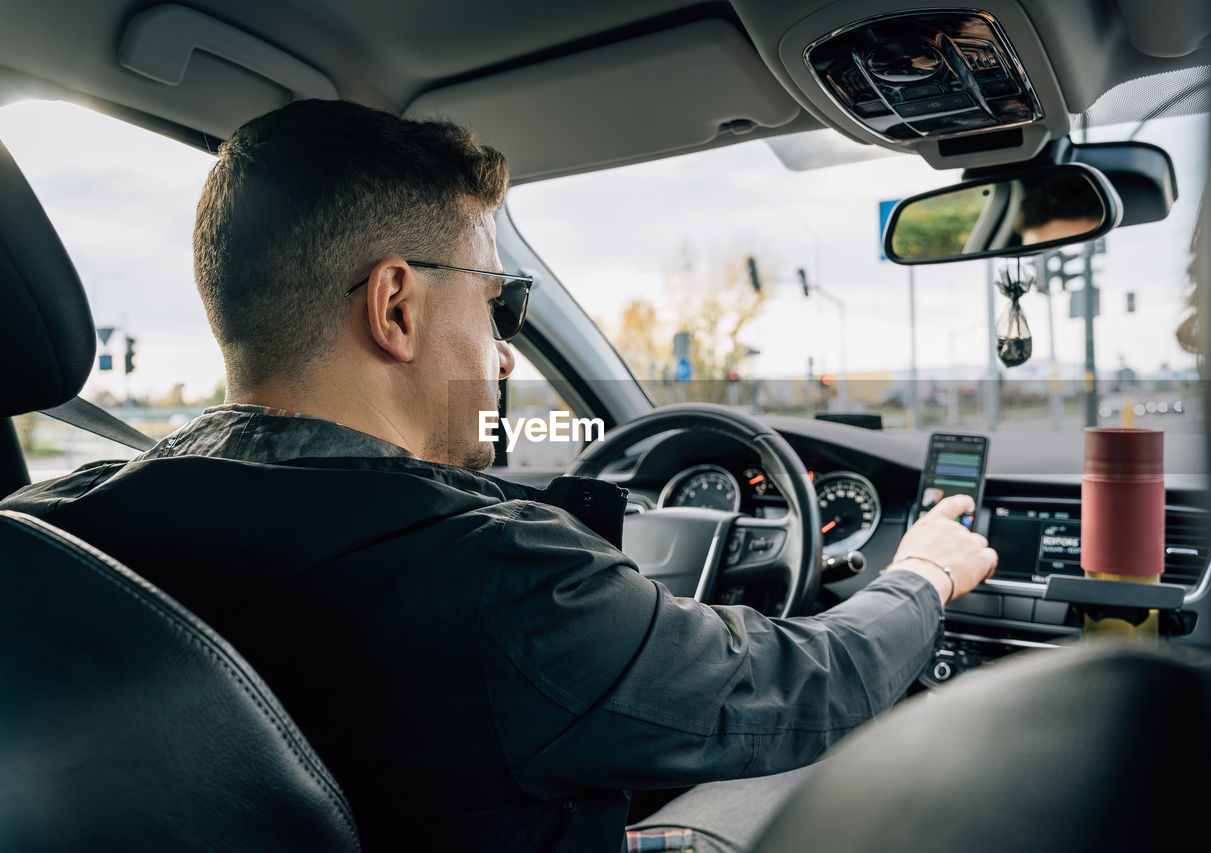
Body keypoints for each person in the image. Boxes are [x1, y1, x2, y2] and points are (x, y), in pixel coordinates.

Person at [0, 100, 997, 853]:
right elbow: (803, 688)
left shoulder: (45, 532)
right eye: (500, 304)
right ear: (394, 305)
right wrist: (922, 575)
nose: (506, 354)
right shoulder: (494, 573)